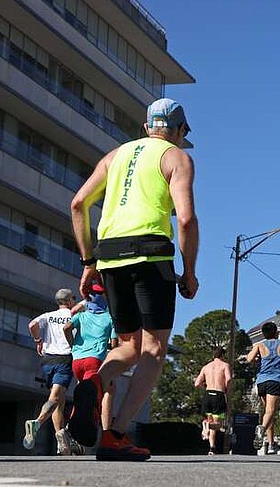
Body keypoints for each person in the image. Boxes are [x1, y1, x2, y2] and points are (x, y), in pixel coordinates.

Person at [69, 98, 199, 461]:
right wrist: (188, 272)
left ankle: (93, 383)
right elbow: (186, 220)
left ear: (146, 128)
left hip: (109, 257)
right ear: (179, 130)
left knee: (128, 345)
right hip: (151, 255)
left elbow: (78, 204)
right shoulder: (176, 158)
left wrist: (88, 262)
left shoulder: (114, 156)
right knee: (154, 350)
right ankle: (116, 434)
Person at [62, 285, 117, 452]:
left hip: (77, 361)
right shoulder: (109, 318)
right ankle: (80, 431)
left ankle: (72, 435)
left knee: (81, 397)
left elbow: (66, 328)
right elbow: (114, 346)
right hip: (95, 361)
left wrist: (73, 345)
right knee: (92, 399)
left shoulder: (81, 316)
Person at [23, 289, 77, 455]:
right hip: (64, 358)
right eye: (74, 298)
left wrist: (38, 340)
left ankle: (61, 441)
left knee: (58, 402)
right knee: (54, 398)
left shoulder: (48, 315)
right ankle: (36, 423)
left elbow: (32, 325)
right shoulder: (73, 315)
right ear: (69, 301)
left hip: (47, 360)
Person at [247, 322, 280, 454]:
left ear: (263, 334)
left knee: (268, 413)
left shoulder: (259, 345)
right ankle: (261, 429)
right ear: (277, 332)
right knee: (271, 411)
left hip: (261, 381)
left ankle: (272, 444)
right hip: (275, 381)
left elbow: (249, 359)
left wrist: (258, 359)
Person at [194, 347, 232, 455]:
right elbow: (228, 379)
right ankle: (208, 426)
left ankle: (212, 448)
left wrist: (205, 387)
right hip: (218, 395)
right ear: (223, 355)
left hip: (207, 395)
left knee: (210, 420)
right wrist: (227, 391)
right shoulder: (225, 365)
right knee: (218, 425)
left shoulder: (206, 367)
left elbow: (197, 383)